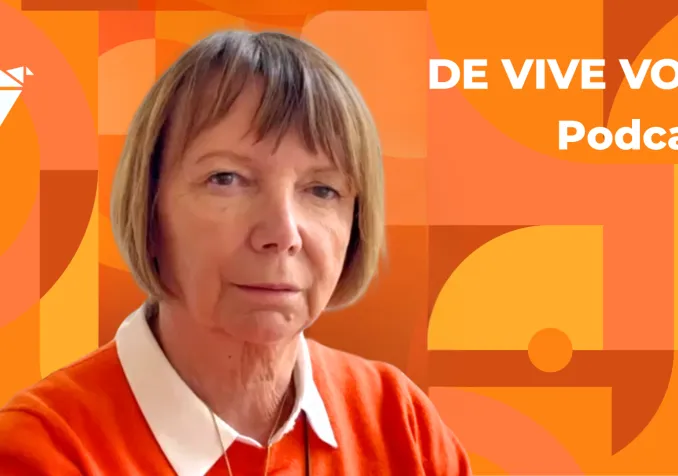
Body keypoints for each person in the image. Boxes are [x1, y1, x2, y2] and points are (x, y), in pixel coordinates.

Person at [0, 30, 471, 475]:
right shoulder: (43, 448)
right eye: (226, 179)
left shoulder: (401, 423)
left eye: (322, 189)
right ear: (150, 206)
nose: (283, 232)